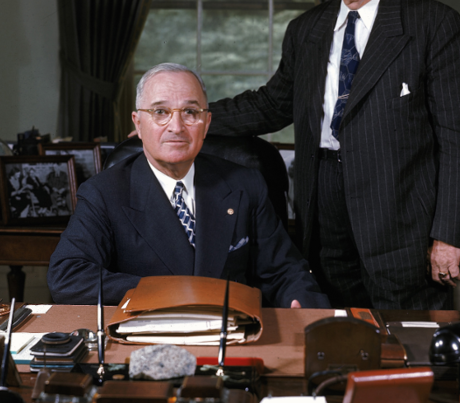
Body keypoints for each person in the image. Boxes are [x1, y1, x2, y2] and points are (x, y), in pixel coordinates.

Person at [206, 0, 460, 309]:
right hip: (323, 211)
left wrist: (449, 236)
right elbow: (271, 104)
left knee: (406, 345)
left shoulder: (433, 25)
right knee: (334, 335)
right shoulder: (305, 31)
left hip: (401, 217)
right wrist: (193, 119)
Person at [48, 63, 330, 308]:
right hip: (149, 335)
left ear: (206, 123)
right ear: (138, 122)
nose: (176, 127)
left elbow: (285, 272)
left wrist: (303, 307)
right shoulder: (103, 192)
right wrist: (167, 292)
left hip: (230, 336)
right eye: (160, 112)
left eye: (190, 113)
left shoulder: (245, 184)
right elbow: (68, 277)